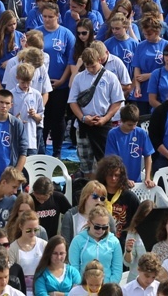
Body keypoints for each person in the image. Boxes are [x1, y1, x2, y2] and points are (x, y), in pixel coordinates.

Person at [68, 47, 125, 176]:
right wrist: (83, 118)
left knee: (105, 162)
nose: (90, 70)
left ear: (100, 60)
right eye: (87, 67)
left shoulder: (111, 77)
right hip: (83, 124)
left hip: (103, 124)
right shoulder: (79, 78)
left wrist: (105, 119)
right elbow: (72, 102)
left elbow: (117, 102)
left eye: (93, 66)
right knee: (86, 164)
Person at [68, 206, 122, 284]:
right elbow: (74, 268)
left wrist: (109, 288)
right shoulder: (77, 240)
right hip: (84, 287)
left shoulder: (114, 242)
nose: (100, 230)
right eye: (97, 227)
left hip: (107, 289)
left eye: (104, 227)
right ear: (89, 223)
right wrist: (83, 287)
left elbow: (117, 270)